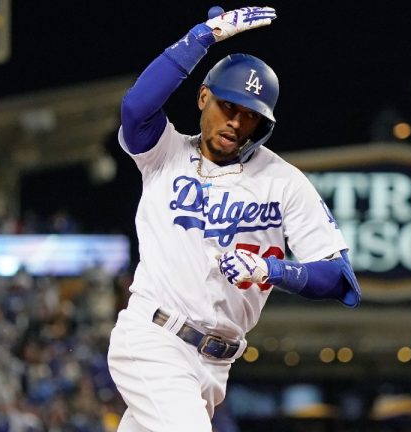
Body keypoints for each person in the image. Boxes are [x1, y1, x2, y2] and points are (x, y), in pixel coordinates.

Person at [106, 5, 361, 432]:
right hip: (154, 339)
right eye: (228, 106)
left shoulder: (282, 181)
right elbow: (135, 108)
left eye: (251, 115)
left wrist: (272, 269)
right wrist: (201, 38)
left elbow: (340, 278)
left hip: (215, 366)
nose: (237, 122)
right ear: (203, 96)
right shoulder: (163, 153)